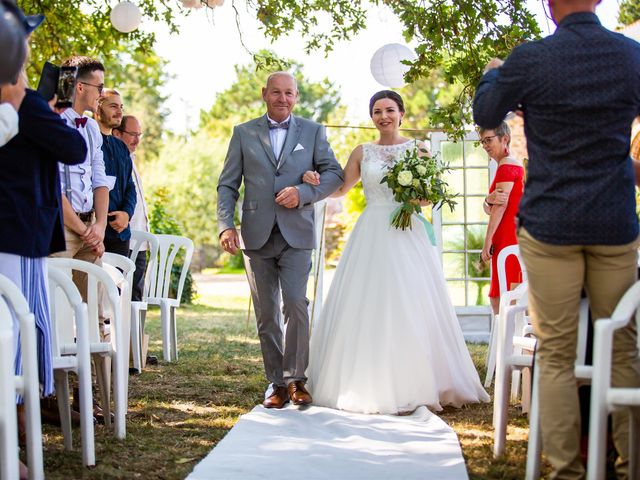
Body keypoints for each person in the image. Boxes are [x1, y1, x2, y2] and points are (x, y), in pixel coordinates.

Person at [473, 1, 640, 478]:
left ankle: (567, 471)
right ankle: (630, 468)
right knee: (623, 348)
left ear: (548, 5)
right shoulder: (631, 57)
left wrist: (493, 72)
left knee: (556, 352)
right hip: (613, 224)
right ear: (600, 2)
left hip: (551, 226)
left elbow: (486, 111)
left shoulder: (530, 58)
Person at [303, 90, 490, 415]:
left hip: (407, 233)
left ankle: (418, 380)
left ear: (401, 113)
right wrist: (314, 180)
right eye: (377, 111)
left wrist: (414, 197)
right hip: (372, 231)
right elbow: (341, 188)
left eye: (390, 109)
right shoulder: (362, 151)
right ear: (372, 116)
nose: (383, 116)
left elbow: (430, 197)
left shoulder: (417, 149)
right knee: (369, 300)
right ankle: (365, 379)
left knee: (412, 299)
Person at [217, 72, 343, 409]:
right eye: (276, 92)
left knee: (296, 305)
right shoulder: (243, 133)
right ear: (264, 94)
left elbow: (334, 174)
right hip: (255, 234)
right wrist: (225, 225)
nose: (282, 98)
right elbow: (227, 184)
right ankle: (275, 383)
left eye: (289, 93)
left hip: (297, 233)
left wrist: (303, 192)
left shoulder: (313, 131)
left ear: (296, 96)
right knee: (267, 313)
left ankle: (296, 379)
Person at [0, 10, 86, 479]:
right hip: (15, 233)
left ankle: (18, 445)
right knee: (12, 340)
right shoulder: (23, 101)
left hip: (20, 234)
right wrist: (56, 119)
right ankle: (11, 451)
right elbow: (73, 151)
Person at [478, 122, 524, 314]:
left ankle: (510, 342)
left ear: (504, 139)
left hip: (507, 236)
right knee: (502, 296)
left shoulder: (506, 166)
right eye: (482, 142)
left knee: (506, 298)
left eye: (489, 140)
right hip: (507, 234)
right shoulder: (508, 165)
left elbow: (500, 205)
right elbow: (493, 204)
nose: (485, 146)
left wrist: (487, 240)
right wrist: (488, 199)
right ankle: (506, 342)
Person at [95, 89, 136, 257]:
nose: (119, 112)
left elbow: (130, 186)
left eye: (121, 107)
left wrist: (126, 213)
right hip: (96, 235)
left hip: (120, 236)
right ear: (97, 109)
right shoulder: (89, 142)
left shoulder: (121, 148)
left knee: (120, 284)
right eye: (113, 106)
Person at [113, 114, 149, 302]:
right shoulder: (114, 160)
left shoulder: (131, 160)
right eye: (132, 134)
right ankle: (121, 332)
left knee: (136, 295)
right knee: (121, 296)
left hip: (140, 242)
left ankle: (136, 333)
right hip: (125, 238)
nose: (137, 140)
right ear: (117, 133)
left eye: (139, 135)